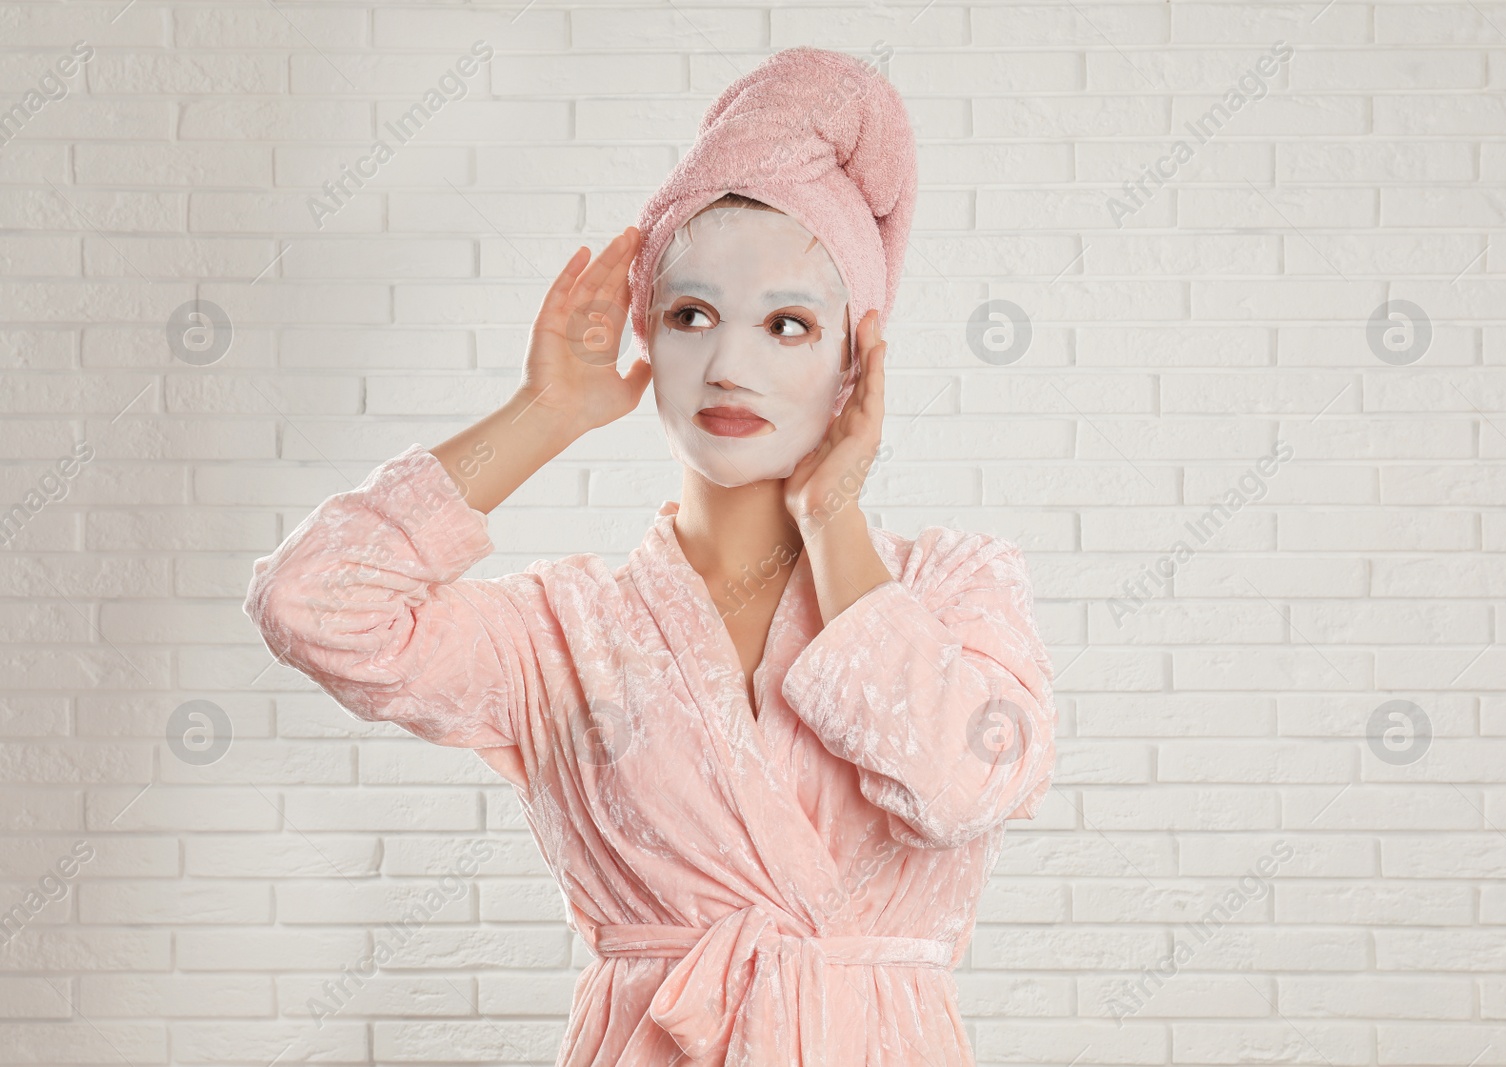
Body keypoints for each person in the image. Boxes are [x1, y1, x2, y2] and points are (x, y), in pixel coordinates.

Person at [244, 46, 1056, 1067]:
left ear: (856, 353)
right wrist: (544, 414)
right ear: (647, 332)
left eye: (788, 324)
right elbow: (312, 603)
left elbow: (960, 787)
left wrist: (834, 513)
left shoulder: (953, 586)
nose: (729, 362)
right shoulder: (559, 633)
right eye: (690, 315)